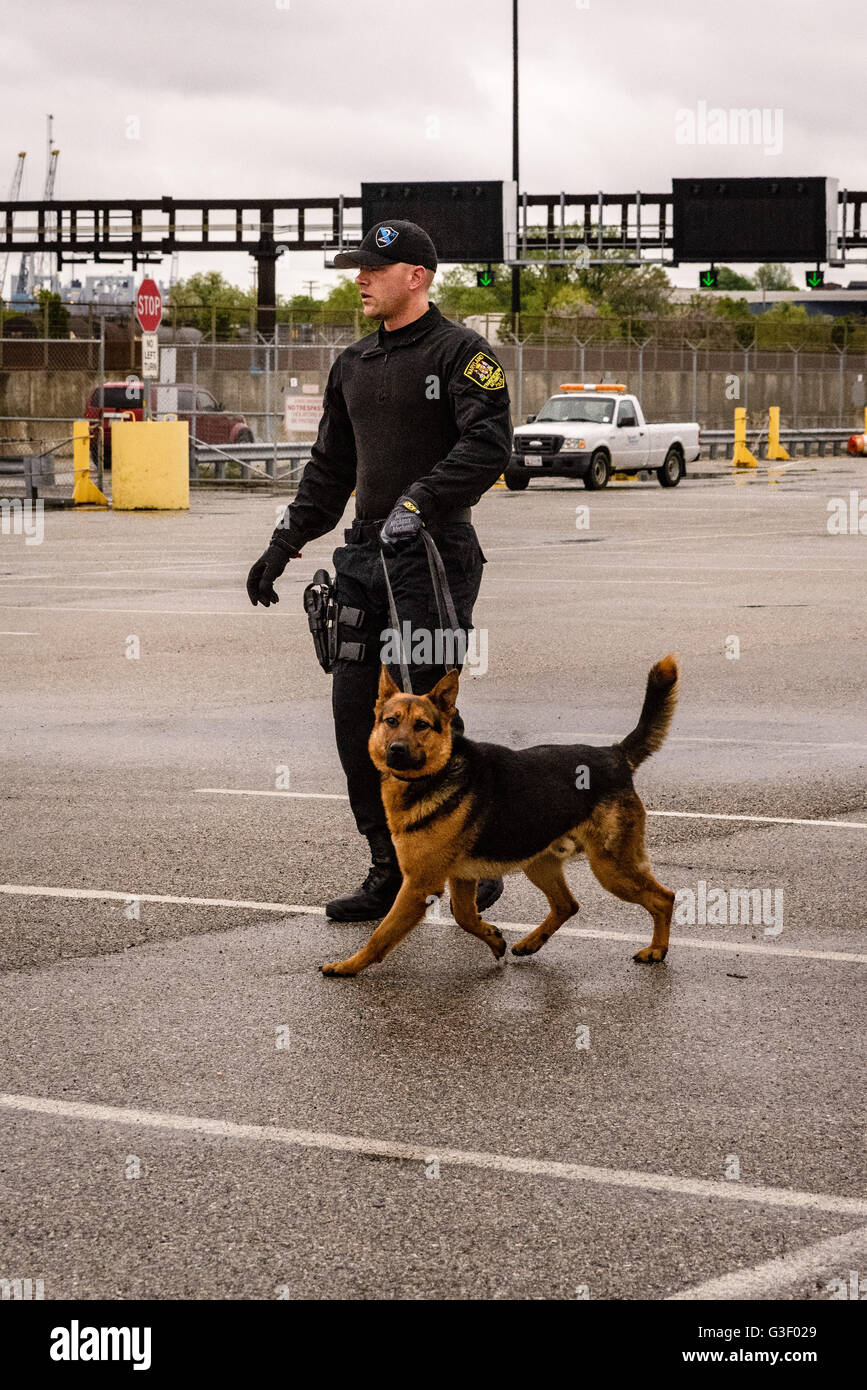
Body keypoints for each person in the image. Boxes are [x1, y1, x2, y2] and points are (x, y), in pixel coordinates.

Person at [246, 218, 511, 920]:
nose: (359, 278)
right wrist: (284, 542)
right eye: (355, 268)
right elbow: (330, 468)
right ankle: (388, 868)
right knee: (359, 721)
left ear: (416, 276)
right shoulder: (354, 363)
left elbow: (488, 447)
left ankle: (469, 866)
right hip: (364, 557)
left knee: (424, 719)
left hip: (432, 558)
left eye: (372, 268)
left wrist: (419, 503)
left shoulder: (462, 354)